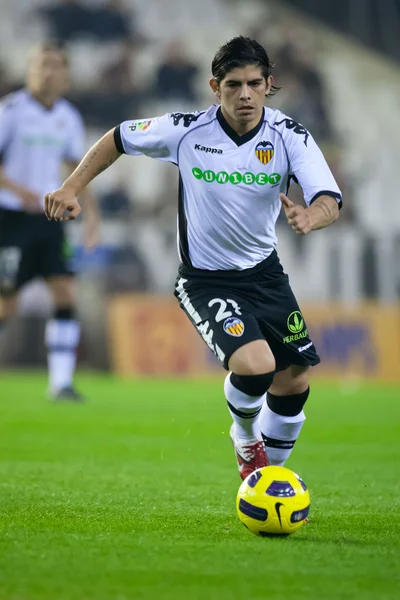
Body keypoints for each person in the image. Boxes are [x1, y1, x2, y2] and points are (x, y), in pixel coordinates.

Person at [44, 36, 341, 476]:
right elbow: (117, 137)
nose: (245, 94)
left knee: (294, 378)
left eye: (255, 84)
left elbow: (329, 199)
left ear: (268, 83)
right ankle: (244, 435)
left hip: (265, 275)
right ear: (213, 87)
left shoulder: (288, 135)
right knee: (257, 367)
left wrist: (311, 218)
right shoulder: (186, 130)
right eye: (233, 85)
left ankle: (267, 479)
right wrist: (71, 187)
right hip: (205, 281)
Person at [0, 40, 99, 401]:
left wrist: (93, 216)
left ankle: (61, 382)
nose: (47, 71)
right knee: (6, 302)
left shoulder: (68, 117)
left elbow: (77, 169)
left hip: (50, 218)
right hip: (10, 218)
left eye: (54, 65)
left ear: (65, 74)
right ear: (30, 70)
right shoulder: (10, 111)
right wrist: (19, 189)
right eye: (41, 65)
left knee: (65, 291)